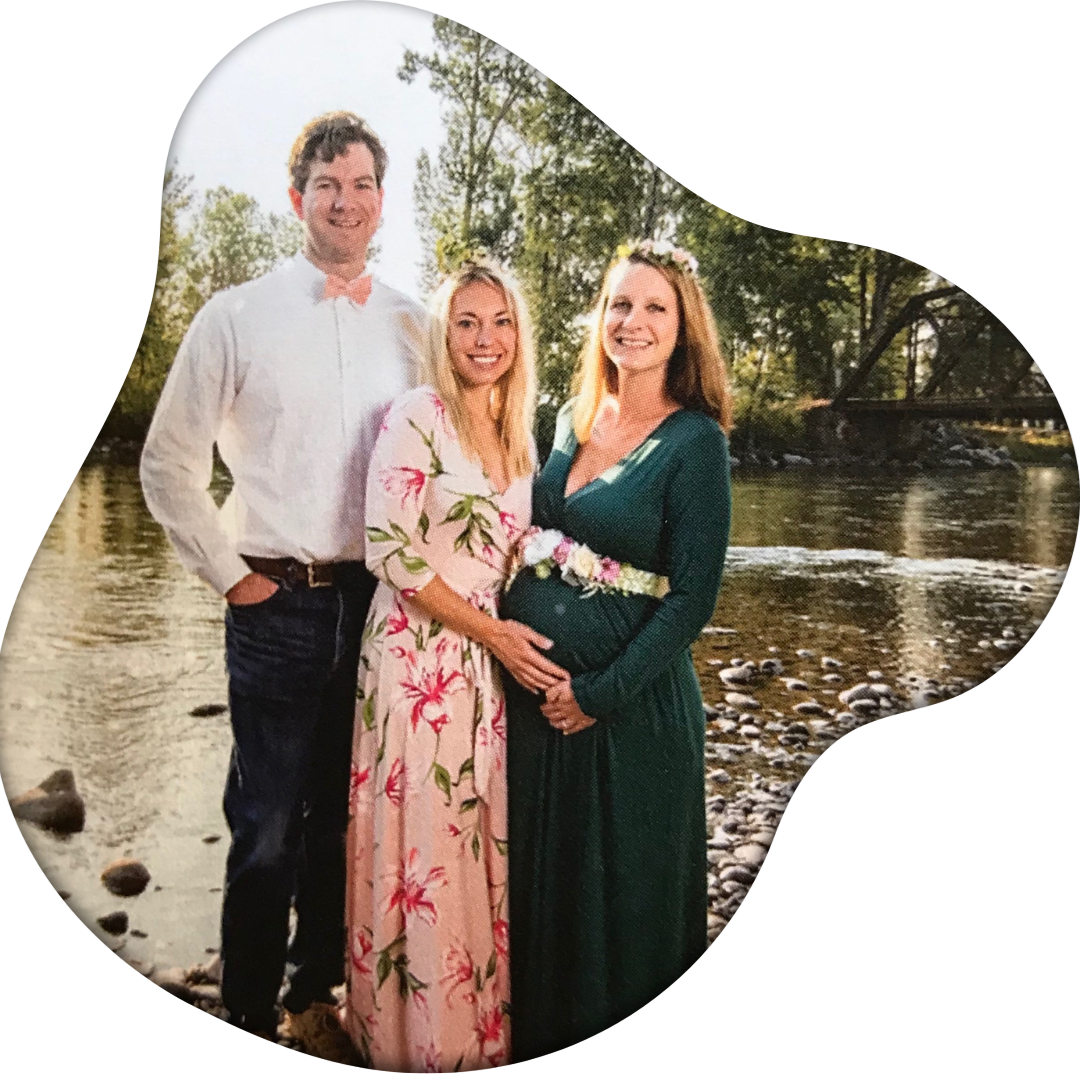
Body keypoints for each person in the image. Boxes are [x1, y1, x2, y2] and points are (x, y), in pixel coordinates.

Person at [140, 112, 428, 1040]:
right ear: (296, 195)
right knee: (266, 826)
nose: (344, 202)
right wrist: (233, 579)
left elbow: (452, 458)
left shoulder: (415, 324)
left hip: (381, 605)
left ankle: (314, 995)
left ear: (382, 201)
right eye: (327, 184)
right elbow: (167, 464)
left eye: (361, 185)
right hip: (275, 601)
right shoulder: (236, 315)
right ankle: (251, 1007)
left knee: (345, 821)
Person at [499, 240, 734, 1062]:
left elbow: (694, 599)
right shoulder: (564, 420)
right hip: (536, 712)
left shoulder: (695, 444)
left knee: (621, 900)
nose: (633, 322)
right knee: (548, 894)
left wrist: (597, 692)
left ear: (682, 329)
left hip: (625, 716)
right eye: (620, 305)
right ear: (600, 317)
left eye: (654, 309)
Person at [341, 259, 569, 1071]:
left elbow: (521, 556)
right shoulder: (417, 415)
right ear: (443, 333)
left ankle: (473, 1037)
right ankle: (409, 1044)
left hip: (481, 668)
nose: (485, 339)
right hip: (417, 662)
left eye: (500, 322)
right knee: (423, 849)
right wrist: (495, 634)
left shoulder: (518, 431)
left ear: (519, 335)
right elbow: (389, 549)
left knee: (473, 840)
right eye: (467, 322)